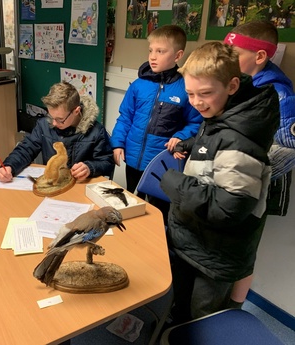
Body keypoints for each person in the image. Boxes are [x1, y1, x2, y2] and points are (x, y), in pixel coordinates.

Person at [160, 42, 280, 323]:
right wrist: (191, 144)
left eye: (205, 94)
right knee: (182, 309)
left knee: (204, 320)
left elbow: (228, 208)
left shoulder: (242, 141)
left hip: (215, 254)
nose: (197, 102)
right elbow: (215, 139)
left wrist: (174, 184)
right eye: (190, 94)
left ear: (232, 86)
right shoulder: (221, 113)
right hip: (196, 242)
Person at [224, 20, 295, 308]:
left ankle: (232, 309)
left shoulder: (279, 94)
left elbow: (287, 150)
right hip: (227, 178)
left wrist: (245, 172)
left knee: (243, 248)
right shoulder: (237, 81)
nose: (227, 60)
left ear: (260, 56)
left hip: (255, 185)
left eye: (234, 53)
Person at [110, 24, 202, 220]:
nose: (153, 56)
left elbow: (195, 123)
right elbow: (125, 117)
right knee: (131, 203)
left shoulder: (185, 88)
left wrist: (180, 136)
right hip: (133, 159)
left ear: (177, 56)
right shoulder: (138, 85)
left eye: (160, 51)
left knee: (157, 211)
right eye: (151, 50)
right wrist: (118, 143)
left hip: (161, 163)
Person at [0, 81, 114, 182]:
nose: (53, 123)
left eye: (60, 119)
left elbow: (107, 162)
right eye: (51, 116)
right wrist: (9, 166)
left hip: (80, 187)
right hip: (54, 185)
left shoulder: (96, 131)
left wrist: (90, 167)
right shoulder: (43, 125)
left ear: (76, 111)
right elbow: (26, 149)